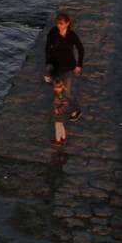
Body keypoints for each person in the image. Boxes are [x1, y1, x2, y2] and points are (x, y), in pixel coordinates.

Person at [42, 12, 84, 144]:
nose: (59, 26)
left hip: (68, 68)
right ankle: (60, 111)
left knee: (67, 91)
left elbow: (81, 49)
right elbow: (47, 48)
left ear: (67, 23)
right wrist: (48, 64)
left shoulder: (71, 35)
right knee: (57, 90)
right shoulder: (53, 33)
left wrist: (79, 65)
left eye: (61, 24)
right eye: (57, 24)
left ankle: (76, 109)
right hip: (55, 67)